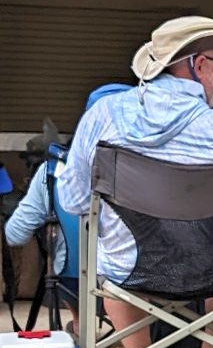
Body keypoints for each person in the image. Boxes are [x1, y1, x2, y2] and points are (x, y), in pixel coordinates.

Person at [59, 16, 213, 348]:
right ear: (199, 66)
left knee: (109, 251)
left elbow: (73, 202)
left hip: (130, 271)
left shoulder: (104, 115)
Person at [4, 84, 131, 334]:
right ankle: (138, 339)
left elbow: (15, 234)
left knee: (72, 272)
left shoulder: (51, 173)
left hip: (76, 283)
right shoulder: (161, 170)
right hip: (148, 285)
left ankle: (81, 327)